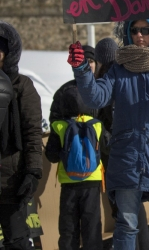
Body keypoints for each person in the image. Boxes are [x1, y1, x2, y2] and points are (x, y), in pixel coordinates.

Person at [67, 19, 149, 250]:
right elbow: (96, 98)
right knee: (126, 224)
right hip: (127, 155)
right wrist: (82, 70)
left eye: (146, 30)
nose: (139, 35)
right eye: (134, 30)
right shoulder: (119, 68)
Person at [94, 36, 149, 250]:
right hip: (132, 154)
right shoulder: (127, 77)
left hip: (118, 157)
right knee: (134, 210)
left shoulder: (109, 82)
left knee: (125, 212)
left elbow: (112, 122)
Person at [45, 84, 106, 250]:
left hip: (69, 181)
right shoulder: (97, 126)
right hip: (92, 181)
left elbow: (52, 156)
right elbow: (107, 149)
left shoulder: (60, 127)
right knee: (92, 227)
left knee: (68, 228)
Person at [0, 21, 43, 250]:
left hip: (11, 180)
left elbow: (32, 132)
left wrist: (33, 171)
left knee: (16, 241)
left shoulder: (22, 86)